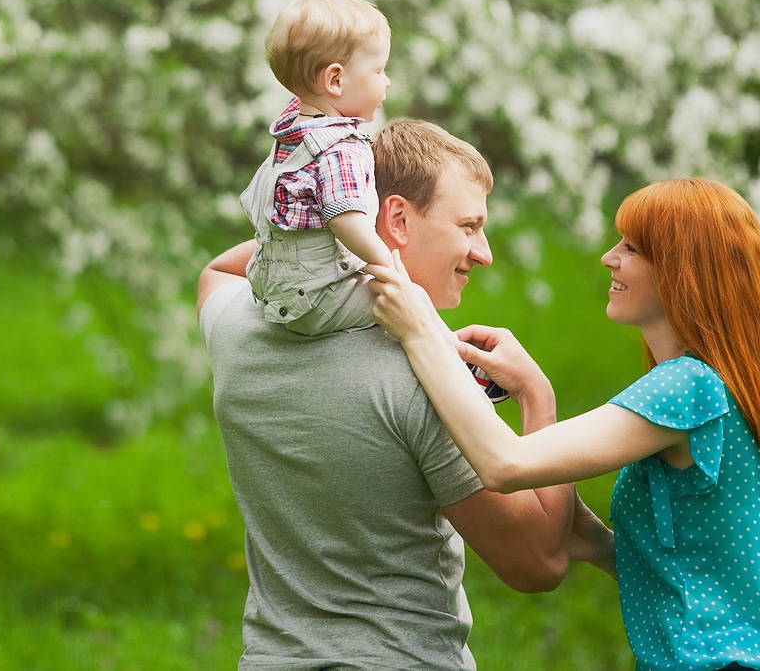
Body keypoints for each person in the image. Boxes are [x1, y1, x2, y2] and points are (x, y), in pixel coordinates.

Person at [366, 178, 760, 671]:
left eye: (631, 248)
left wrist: (419, 331)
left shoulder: (688, 387)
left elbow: (503, 464)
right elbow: (712, 566)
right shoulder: (748, 384)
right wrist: (591, 539)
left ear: (684, 271)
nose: (608, 258)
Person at [200, 119, 609, 671]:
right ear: (395, 218)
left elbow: (218, 270)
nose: (483, 253)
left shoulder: (236, 326)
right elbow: (537, 563)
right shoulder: (425, 380)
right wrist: (538, 398)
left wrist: (330, 240)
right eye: (468, 226)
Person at [239, 0, 395, 336]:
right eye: (379, 70)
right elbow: (348, 223)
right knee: (407, 304)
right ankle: (456, 360)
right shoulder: (340, 149)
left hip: (276, 291)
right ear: (335, 81)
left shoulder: (292, 133)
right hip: (317, 299)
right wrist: (391, 269)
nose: (387, 81)